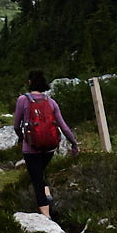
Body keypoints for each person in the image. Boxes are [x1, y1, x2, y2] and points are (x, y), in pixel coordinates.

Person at [10, 70, 79, 217]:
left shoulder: (22, 100)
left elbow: (16, 125)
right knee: (40, 173)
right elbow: (64, 126)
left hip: (31, 149)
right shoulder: (51, 102)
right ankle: (49, 198)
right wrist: (74, 143)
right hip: (49, 148)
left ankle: (47, 218)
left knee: (36, 181)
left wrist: (21, 137)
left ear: (30, 83)